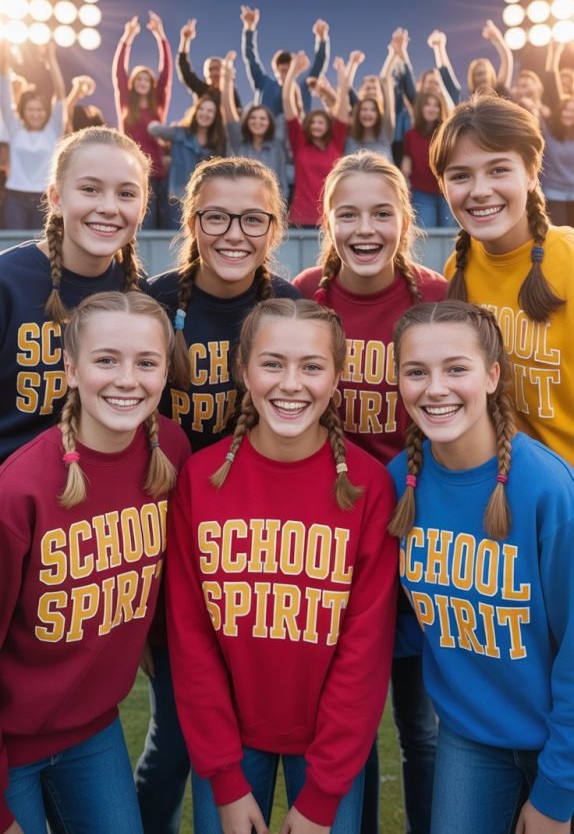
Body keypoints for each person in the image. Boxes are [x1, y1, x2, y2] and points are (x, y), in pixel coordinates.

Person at [166, 297, 399, 834]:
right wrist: (224, 776)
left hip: (328, 755)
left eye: (312, 367)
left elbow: (363, 654)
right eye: (272, 363)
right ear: (243, 370)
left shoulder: (366, 489)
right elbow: (191, 637)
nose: (291, 384)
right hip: (227, 747)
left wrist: (323, 795)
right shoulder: (199, 481)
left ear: (337, 377)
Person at [137, 158, 300, 834]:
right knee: (177, 734)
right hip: (168, 546)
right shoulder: (154, 300)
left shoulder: (289, 306)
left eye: (253, 218)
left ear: (275, 227)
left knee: (255, 724)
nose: (235, 233)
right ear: (192, 221)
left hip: (254, 549)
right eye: (216, 217)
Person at [294, 151, 446, 834]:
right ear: (326, 220)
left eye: (381, 213)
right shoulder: (304, 295)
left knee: (424, 726)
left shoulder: (437, 296)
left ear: (404, 220)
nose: (365, 227)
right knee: (342, 725)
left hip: (419, 536)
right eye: (347, 213)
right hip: (337, 542)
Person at [0, 290, 190, 834]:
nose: (127, 379)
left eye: (146, 362)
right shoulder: (22, 489)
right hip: (10, 742)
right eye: (106, 360)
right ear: (71, 370)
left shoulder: (170, 452)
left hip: (93, 731)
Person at [387, 299, 574, 834]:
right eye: (416, 372)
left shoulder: (547, 490)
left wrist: (558, 793)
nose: (435, 388)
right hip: (469, 739)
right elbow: (400, 619)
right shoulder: (399, 484)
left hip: (559, 742)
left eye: (456, 369)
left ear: (492, 376)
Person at [430, 93, 574, 465]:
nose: (480, 190)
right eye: (461, 176)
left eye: (498, 170)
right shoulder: (457, 268)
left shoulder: (568, 259)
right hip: (506, 491)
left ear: (530, 172)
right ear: (444, 187)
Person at [0, 126, 150, 464]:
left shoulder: (140, 294)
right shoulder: (7, 282)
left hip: (101, 502)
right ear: (56, 198)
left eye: (126, 194)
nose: (109, 207)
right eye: (90, 189)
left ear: (142, 208)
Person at [113, 12, 173, 229]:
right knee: (142, 226)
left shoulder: (158, 104)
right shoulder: (127, 104)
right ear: (132, 83)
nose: (142, 82)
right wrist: (127, 39)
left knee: (165, 227)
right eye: (138, 78)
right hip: (134, 173)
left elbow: (166, 73)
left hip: (159, 175)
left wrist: (161, 36)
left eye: (146, 79)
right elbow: (119, 72)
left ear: (151, 84)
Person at [0, 39, 66, 230]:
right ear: (23, 111)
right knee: (15, 249)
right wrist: (4, 58)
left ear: (46, 111)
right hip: (15, 198)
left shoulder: (53, 130)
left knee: (42, 249)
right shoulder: (15, 128)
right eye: (31, 109)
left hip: (44, 199)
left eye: (39, 110)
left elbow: (60, 95)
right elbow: (5, 92)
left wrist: (51, 59)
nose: (36, 114)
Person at [283, 52, 351, 226]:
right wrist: (293, 71)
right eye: (312, 122)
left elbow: (343, 104)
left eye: (321, 122)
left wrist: (342, 75)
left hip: (331, 219)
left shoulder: (336, 142)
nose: (316, 126)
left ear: (329, 126)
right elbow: (287, 101)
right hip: (300, 220)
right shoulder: (300, 144)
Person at [148, 94, 226, 227]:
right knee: (174, 237)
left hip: (205, 199)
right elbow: (153, 129)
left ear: (215, 116)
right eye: (201, 109)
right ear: (195, 112)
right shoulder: (180, 133)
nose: (205, 114)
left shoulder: (218, 143)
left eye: (210, 111)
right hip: (177, 198)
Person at [220, 52, 288, 200]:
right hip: (239, 201)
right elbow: (228, 110)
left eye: (262, 119)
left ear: (270, 123)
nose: (258, 122)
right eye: (253, 118)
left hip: (269, 204)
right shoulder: (239, 142)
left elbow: (282, 183)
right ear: (246, 121)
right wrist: (226, 79)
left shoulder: (276, 146)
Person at [240, 6, 330, 117]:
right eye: (281, 65)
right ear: (276, 68)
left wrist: (321, 39)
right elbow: (250, 57)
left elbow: (319, 63)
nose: (285, 68)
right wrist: (249, 28)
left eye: (289, 65)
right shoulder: (264, 83)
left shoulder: (304, 86)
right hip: (268, 132)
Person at [401, 93, 454, 229]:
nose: (431, 108)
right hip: (422, 193)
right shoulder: (410, 135)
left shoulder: (447, 134)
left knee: (449, 236)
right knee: (427, 235)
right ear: (420, 109)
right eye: (427, 105)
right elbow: (407, 159)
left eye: (435, 106)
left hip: (446, 192)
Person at [176, 18, 241, 109]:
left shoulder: (231, 92)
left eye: (217, 68)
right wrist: (185, 40)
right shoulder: (202, 89)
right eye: (210, 69)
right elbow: (184, 69)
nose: (214, 73)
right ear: (205, 73)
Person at [539, 97, 574, 227]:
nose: (569, 114)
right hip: (553, 194)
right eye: (565, 110)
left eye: (572, 111)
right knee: (559, 234)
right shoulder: (547, 131)